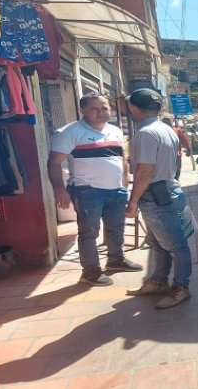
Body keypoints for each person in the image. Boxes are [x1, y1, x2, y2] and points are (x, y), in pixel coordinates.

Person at [48, 92, 143, 286]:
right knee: (89, 232)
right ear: (83, 110)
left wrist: (124, 183)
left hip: (116, 190)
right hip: (87, 191)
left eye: (105, 108)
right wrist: (59, 189)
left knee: (116, 227)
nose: (101, 112)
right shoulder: (70, 132)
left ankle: (116, 259)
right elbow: (54, 163)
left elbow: (121, 159)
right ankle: (90, 272)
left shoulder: (115, 131)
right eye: (94, 109)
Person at [124, 88, 193, 309]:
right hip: (166, 191)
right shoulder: (165, 129)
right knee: (157, 242)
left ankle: (181, 287)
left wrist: (133, 201)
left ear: (134, 108)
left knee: (175, 245)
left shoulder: (144, 134)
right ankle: (158, 281)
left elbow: (144, 171)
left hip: (155, 196)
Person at [161, 115, 191, 180]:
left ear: (172, 122)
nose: (167, 123)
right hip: (163, 155)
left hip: (176, 154)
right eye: (165, 121)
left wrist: (188, 148)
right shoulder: (158, 131)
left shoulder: (177, 130)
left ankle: (175, 180)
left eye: (169, 121)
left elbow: (184, 140)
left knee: (177, 170)